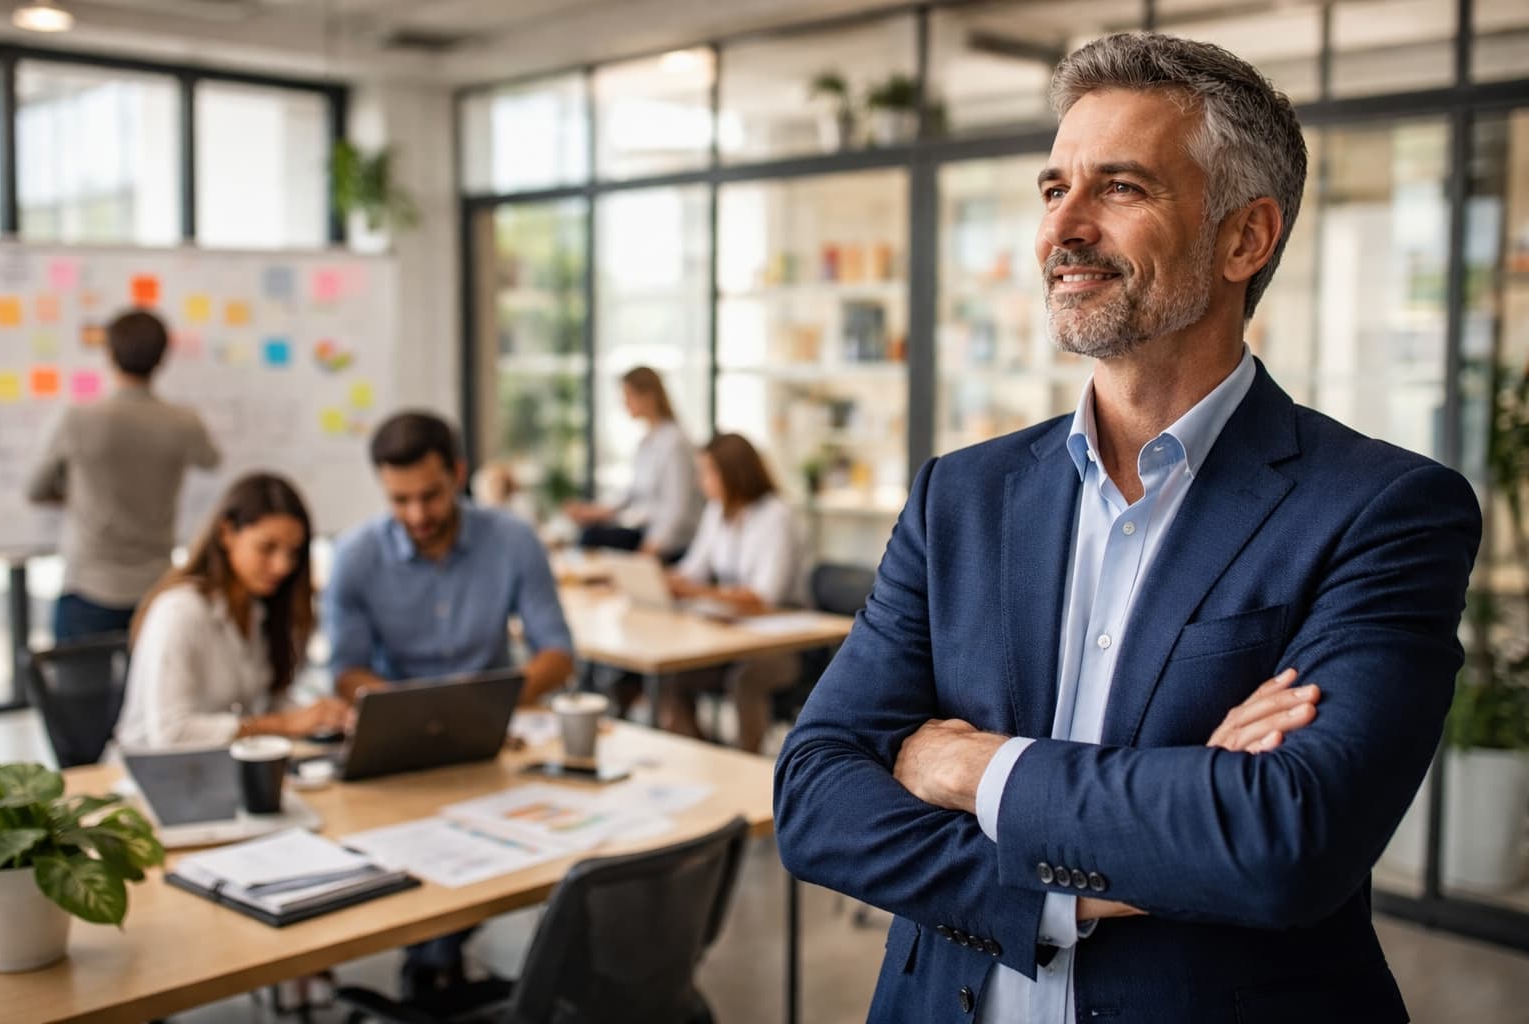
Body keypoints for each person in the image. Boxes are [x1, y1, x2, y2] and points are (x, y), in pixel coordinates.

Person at [774, 32, 1481, 1023]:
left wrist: (965, 766)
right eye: (1052, 185)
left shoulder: (1383, 510)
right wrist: (1149, 831)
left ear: (1245, 238)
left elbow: (1284, 842)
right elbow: (813, 799)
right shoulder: (961, 498)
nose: (1063, 228)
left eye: (1119, 188)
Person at [323, 409, 575, 996]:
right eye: (400, 500)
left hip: (494, 745)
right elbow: (345, 670)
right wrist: (415, 713)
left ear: (459, 473)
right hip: (394, 748)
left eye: (431, 496)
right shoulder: (356, 556)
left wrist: (493, 702)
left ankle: (440, 970)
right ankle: (435, 968)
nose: (417, 516)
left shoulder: (511, 539)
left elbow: (557, 652)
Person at [114, 473, 347, 750]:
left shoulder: (259, 610)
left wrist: (319, 715)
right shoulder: (180, 611)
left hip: (225, 770)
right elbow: (171, 733)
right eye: (267, 548)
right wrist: (282, 724)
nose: (282, 566)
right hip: (153, 776)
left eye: (292, 552)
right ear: (226, 533)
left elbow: (272, 702)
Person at [26, 309, 220, 640]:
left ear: (109, 354)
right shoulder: (183, 422)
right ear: (162, 359)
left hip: (88, 585)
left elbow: (36, 489)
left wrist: (76, 493)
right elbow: (211, 460)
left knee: (79, 691)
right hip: (156, 586)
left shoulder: (78, 419)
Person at [662, 433, 805, 753]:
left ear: (733, 472)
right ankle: (705, 753)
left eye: (707, 472)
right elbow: (691, 569)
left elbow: (764, 596)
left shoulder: (775, 515)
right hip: (732, 635)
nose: (701, 483)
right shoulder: (718, 512)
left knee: (746, 679)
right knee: (673, 678)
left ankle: (746, 759)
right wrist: (659, 579)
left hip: (784, 641)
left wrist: (697, 591)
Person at [563, 366, 702, 562]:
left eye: (628, 395)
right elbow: (631, 494)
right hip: (645, 531)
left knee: (592, 538)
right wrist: (596, 511)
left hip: (671, 540)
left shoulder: (675, 443)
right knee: (591, 532)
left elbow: (677, 509)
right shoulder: (646, 442)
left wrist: (650, 548)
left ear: (649, 397)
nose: (624, 403)